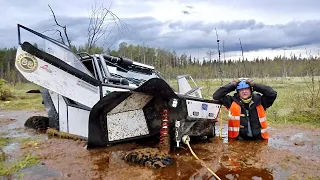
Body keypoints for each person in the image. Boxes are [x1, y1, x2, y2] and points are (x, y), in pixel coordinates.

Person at [212, 78, 277, 140]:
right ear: (238, 92)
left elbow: (272, 94)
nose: (244, 91)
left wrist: (255, 85)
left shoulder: (260, 101)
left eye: (246, 89)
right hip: (239, 140)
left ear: (251, 90)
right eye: (241, 90)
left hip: (259, 139)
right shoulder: (231, 101)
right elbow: (216, 96)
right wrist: (232, 85)